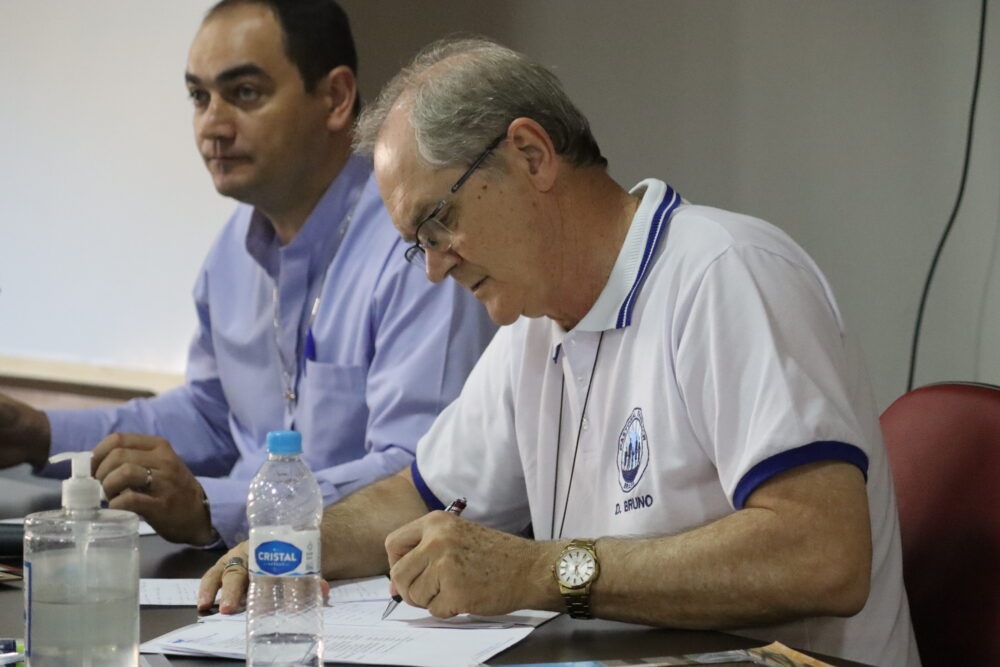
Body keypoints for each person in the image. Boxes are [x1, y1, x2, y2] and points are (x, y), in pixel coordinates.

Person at [200, 37, 919, 666]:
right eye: (418, 245)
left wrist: (544, 571)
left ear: (531, 155)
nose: (435, 269)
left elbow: (824, 554)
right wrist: (290, 545)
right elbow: (416, 494)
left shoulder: (725, 274)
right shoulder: (533, 328)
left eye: (438, 223)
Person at [0, 2, 495, 548]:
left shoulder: (416, 249)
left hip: (366, 575)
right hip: (244, 567)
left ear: (335, 98)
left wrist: (213, 507)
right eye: (199, 97)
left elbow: (418, 473)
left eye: (245, 93)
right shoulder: (232, 252)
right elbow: (211, 417)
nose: (212, 126)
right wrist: (39, 434)